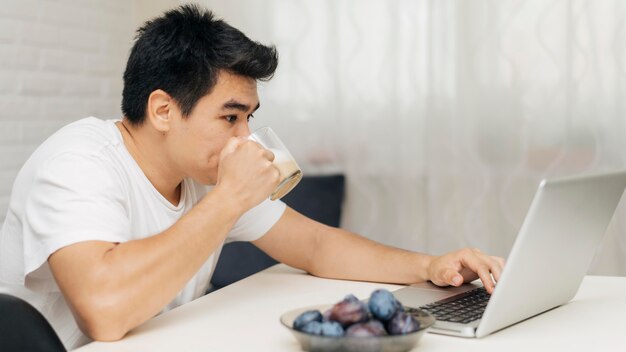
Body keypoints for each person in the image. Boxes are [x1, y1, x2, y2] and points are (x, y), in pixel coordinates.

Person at [0, 4, 504, 350]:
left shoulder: (203, 170)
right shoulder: (77, 163)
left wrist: (431, 264)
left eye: (249, 118)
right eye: (230, 117)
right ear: (162, 110)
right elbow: (103, 312)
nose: (245, 137)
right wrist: (228, 201)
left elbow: (317, 247)